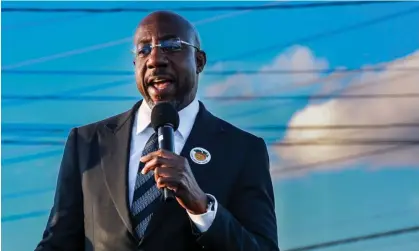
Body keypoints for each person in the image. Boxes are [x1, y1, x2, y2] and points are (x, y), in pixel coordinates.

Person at [35, 11, 279, 251]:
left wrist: (202, 208)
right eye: (143, 50)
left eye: (171, 45)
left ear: (199, 61)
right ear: (135, 65)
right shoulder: (88, 143)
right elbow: (58, 243)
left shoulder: (243, 150)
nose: (154, 59)